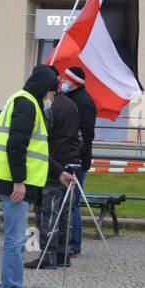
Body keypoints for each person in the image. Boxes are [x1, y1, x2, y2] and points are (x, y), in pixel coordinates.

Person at [0, 65, 73, 288]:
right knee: (16, 239)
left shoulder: (25, 101)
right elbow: (16, 145)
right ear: (43, 88)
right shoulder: (27, 104)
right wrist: (19, 181)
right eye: (50, 92)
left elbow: (36, 151)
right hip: (13, 183)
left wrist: (59, 173)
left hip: (13, 180)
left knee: (17, 237)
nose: (51, 98)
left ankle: (12, 286)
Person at [26, 72, 83, 270]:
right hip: (71, 162)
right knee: (65, 214)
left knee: (48, 213)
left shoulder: (48, 107)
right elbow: (79, 136)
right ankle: (62, 254)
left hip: (53, 165)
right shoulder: (70, 104)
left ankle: (48, 256)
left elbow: (42, 138)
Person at [61, 67, 97, 257]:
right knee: (65, 203)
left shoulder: (84, 102)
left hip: (77, 161)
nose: (62, 81)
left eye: (66, 79)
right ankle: (63, 240)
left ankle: (74, 244)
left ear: (74, 81)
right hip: (67, 158)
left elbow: (86, 135)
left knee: (73, 203)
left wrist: (75, 159)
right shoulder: (68, 99)